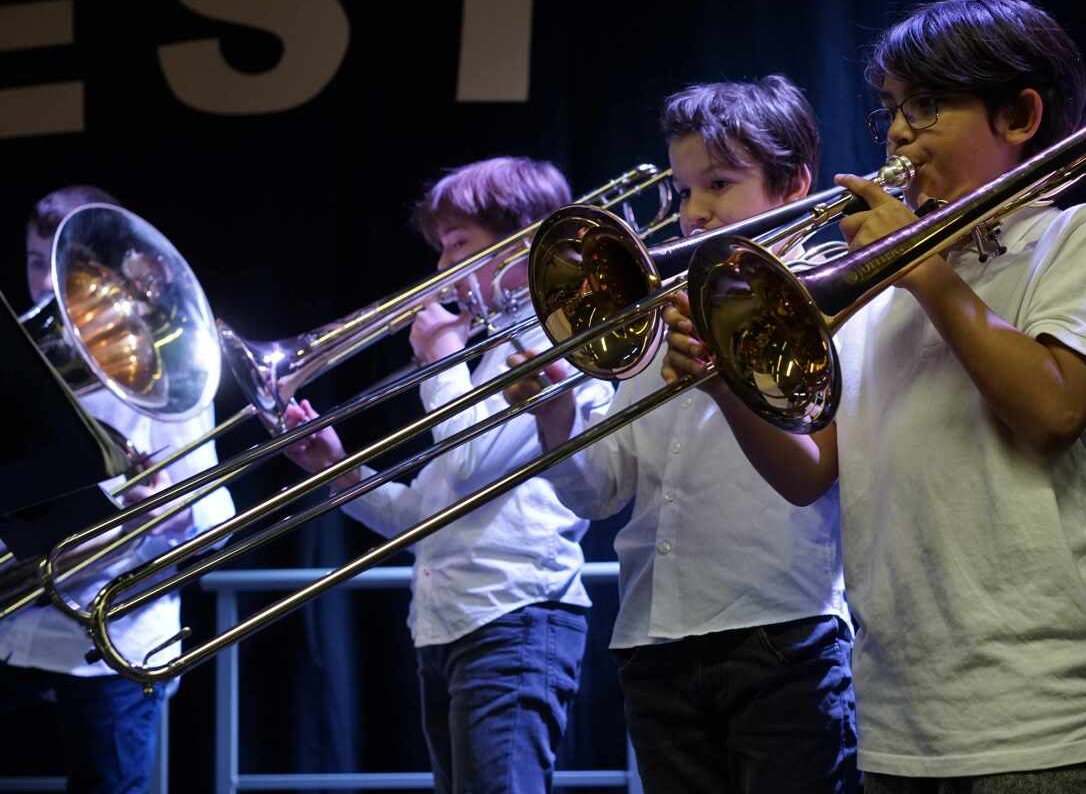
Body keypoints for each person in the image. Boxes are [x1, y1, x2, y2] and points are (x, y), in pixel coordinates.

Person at [664, 0, 1086, 790]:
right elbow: (810, 473)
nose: (896, 134)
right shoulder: (872, 299)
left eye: (927, 107)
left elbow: (1053, 409)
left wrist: (919, 267)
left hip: (1041, 720)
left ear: (1019, 115)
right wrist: (726, 388)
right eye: (892, 109)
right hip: (897, 725)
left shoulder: (1081, 236)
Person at [508, 76, 858, 793]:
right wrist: (553, 416)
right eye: (683, 190)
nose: (694, 213)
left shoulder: (834, 300)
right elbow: (603, 491)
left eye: (720, 185)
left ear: (794, 184)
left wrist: (724, 380)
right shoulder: (659, 312)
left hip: (780, 633)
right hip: (654, 640)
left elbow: (818, 477)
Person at [281, 157, 612, 794]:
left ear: (522, 243)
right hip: (447, 620)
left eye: (458, 245)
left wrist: (439, 361)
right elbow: (422, 516)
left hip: (516, 614)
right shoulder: (487, 353)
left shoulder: (551, 345)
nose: (440, 268)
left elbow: (465, 465)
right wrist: (337, 472)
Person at [0, 185, 236, 794]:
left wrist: (163, 510)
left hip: (109, 636)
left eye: (64, 270)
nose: (47, 287)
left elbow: (215, 514)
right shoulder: (14, 370)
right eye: (34, 264)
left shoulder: (159, 373)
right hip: (14, 632)